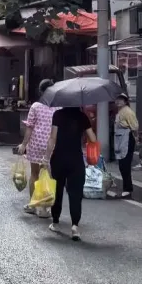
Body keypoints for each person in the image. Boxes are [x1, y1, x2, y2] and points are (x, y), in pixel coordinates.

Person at [46, 102, 97, 241]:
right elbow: (93, 139)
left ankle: (55, 222)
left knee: (57, 190)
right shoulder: (82, 117)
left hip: (59, 158)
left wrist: (46, 158)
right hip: (76, 160)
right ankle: (75, 226)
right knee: (75, 193)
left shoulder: (58, 115)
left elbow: (52, 138)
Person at [15, 79, 55, 212]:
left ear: (40, 91)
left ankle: (33, 205)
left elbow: (29, 128)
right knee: (47, 173)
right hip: (51, 145)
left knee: (34, 173)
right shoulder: (58, 108)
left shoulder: (35, 107)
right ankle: (45, 207)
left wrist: (23, 144)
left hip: (36, 144)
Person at [113, 94, 139, 198]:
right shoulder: (120, 112)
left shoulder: (128, 112)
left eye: (121, 99)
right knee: (122, 164)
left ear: (125, 101)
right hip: (121, 139)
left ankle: (128, 189)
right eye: (117, 99)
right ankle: (126, 188)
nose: (118, 101)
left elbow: (135, 127)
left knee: (125, 164)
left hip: (127, 138)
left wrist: (136, 138)